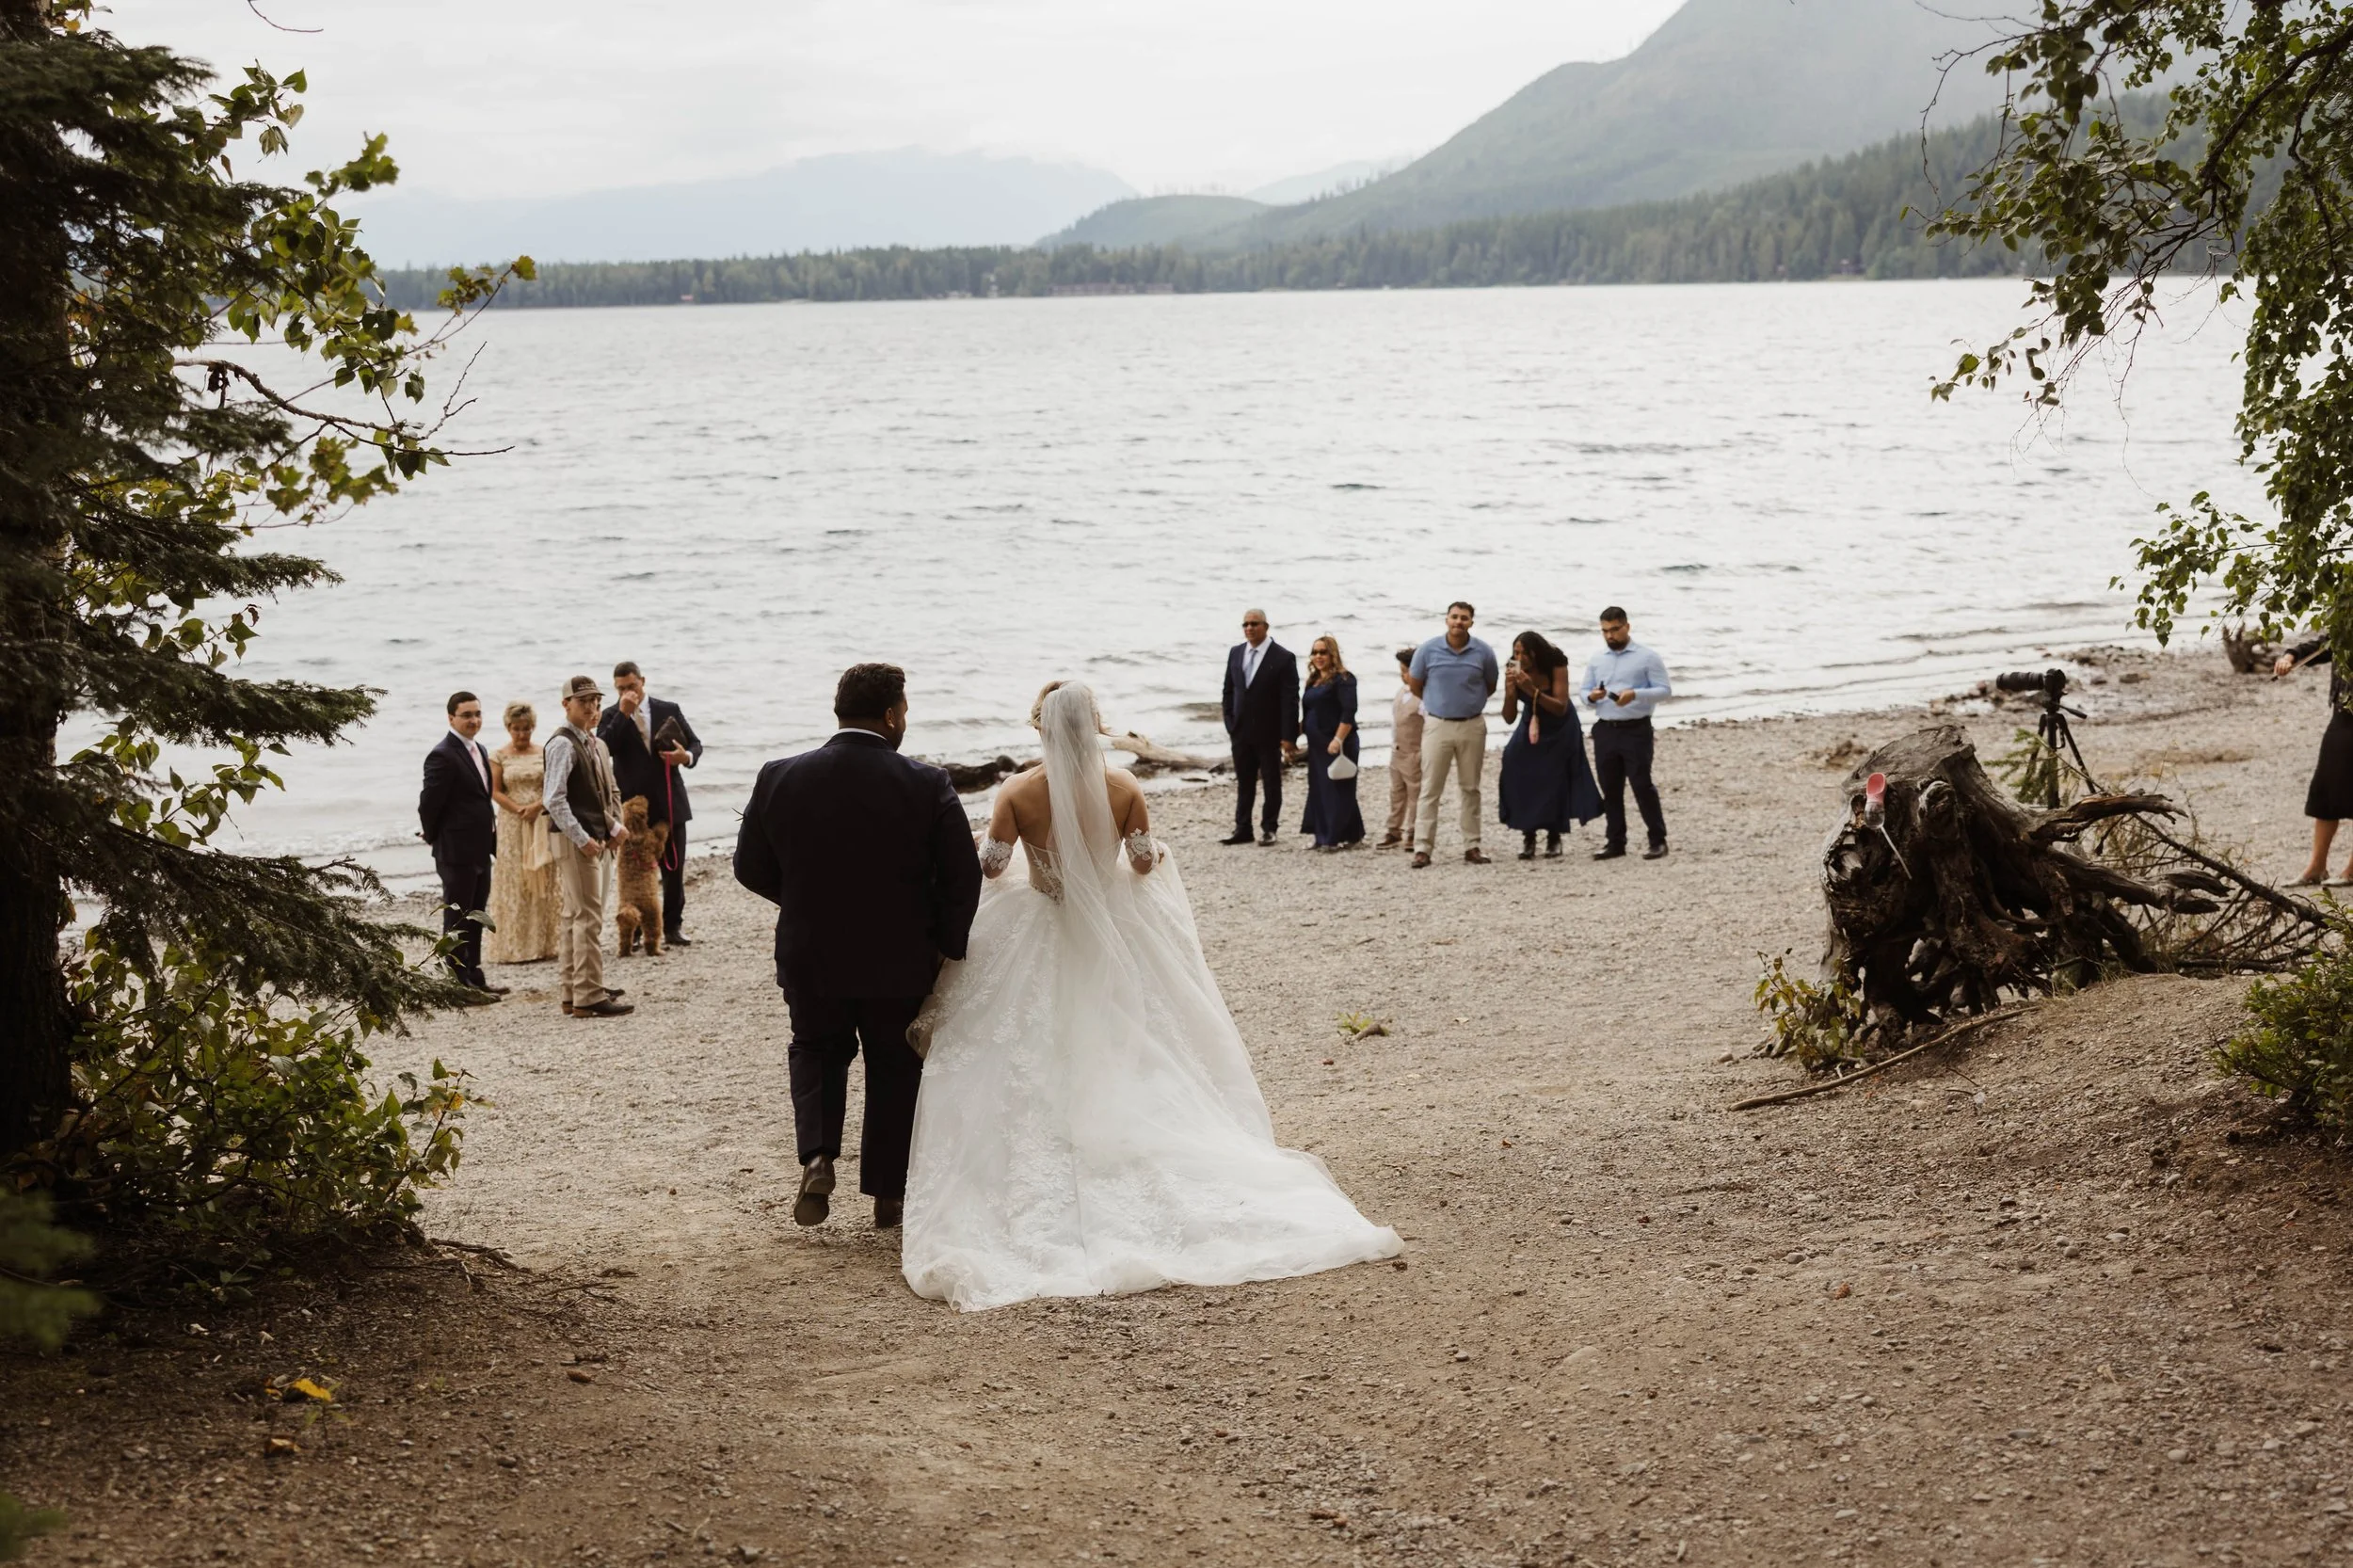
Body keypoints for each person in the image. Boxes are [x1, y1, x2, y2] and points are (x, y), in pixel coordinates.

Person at [901, 681, 1401, 1311]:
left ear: (1041, 728)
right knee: (1134, 1035)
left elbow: (995, 867)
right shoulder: (1124, 787)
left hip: (1041, 921)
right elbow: (1140, 863)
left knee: (1028, 1037)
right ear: (1096, 726)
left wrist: (999, 846)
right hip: (1111, 930)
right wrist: (1153, 850)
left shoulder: (1017, 791)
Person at [733, 663, 983, 1231]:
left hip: (810, 949)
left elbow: (748, 866)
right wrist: (947, 945)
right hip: (899, 954)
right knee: (895, 1063)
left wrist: (801, 900)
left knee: (816, 1049)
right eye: (905, 711)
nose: (905, 721)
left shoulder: (778, 776)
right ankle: (889, 1194)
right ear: (891, 715)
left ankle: (818, 1157)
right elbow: (962, 875)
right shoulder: (926, 783)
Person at [542, 675, 633, 1018]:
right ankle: (588, 994)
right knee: (588, 916)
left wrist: (611, 826)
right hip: (574, 841)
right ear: (566, 704)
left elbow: (596, 796)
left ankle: (574, 991)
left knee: (575, 915)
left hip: (582, 837)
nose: (592, 707)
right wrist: (583, 840)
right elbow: (554, 800)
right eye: (583, 701)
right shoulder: (563, 743)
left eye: (596, 701)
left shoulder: (587, 741)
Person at [597, 661, 704, 947]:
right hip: (633, 809)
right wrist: (623, 714)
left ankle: (673, 926)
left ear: (642, 681)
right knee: (634, 872)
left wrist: (685, 757)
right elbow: (604, 748)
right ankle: (636, 930)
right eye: (620, 689)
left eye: (631, 686)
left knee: (674, 868)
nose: (627, 692)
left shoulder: (668, 709)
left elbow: (695, 744)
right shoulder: (611, 715)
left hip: (669, 799)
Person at [416, 691, 503, 1002]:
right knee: (457, 919)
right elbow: (429, 804)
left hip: (480, 848)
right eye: (467, 715)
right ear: (451, 718)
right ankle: (456, 984)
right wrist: (433, 836)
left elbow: (481, 799)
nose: (474, 720)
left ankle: (474, 975)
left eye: (477, 714)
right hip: (455, 851)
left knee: (477, 915)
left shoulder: (479, 749)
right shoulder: (442, 754)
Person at [1407, 601, 1499, 868]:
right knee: (1430, 788)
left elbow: (1490, 684)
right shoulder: (1428, 650)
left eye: (1464, 618)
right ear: (1446, 619)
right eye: (1455, 617)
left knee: (1470, 788)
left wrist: (1468, 702)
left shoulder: (1483, 652)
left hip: (1472, 725)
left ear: (1472, 622)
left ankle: (1472, 846)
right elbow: (1415, 684)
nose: (1459, 622)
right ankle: (1422, 848)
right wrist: (1438, 703)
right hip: (1438, 725)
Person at [1498, 630, 1603, 858]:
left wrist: (1531, 690)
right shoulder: (1514, 667)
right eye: (1515, 652)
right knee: (1514, 762)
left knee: (1555, 776)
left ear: (1535, 653)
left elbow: (1560, 707)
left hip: (1560, 726)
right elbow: (1508, 718)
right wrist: (1510, 692)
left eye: (1523, 653)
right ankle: (1528, 835)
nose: (1518, 657)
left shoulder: (1556, 662)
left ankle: (1554, 836)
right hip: (1532, 721)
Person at [1579, 606, 1673, 861]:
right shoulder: (1597, 659)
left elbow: (1664, 690)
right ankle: (1615, 842)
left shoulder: (1647, 657)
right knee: (1610, 788)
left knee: (1641, 784)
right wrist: (1592, 696)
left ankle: (1658, 840)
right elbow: (1584, 693)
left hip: (1635, 728)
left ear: (1627, 627)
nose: (1610, 636)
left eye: (1614, 630)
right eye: (1605, 631)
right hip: (1606, 729)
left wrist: (1635, 694)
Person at [486, 700, 560, 963]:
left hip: (541, 818)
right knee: (515, 878)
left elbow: (552, 786)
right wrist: (519, 809)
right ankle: (514, 947)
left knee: (543, 873)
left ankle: (545, 943)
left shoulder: (543, 752)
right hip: (512, 822)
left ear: (533, 727)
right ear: (508, 728)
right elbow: (495, 791)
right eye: (517, 728)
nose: (522, 734)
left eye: (526, 728)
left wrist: (537, 806)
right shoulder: (498, 755)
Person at [2275, 637, 2353, 884]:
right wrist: (2290, 656)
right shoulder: (2346, 626)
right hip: (2343, 715)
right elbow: (2322, 645)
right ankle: (2317, 867)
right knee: (2325, 790)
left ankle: (2352, 870)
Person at [1221, 609, 1301, 846]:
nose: (1249, 628)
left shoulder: (1283, 657)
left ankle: (1269, 828)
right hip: (1240, 732)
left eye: (1254, 624)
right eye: (1245, 624)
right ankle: (1243, 828)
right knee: (1244, 782)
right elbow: (1228, 691)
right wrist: (1230, 722)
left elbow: (1290, 700)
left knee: (1271, 782)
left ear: (1266, 626)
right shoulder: (1236, 653)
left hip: (1269, 733)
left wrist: (1289, 737)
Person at [1299, 635, 1364, 851]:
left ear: (1332, 654)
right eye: (1315, 652)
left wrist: (1338, 739)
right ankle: (1328, 835)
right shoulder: (1313, 680)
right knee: (1319, 789)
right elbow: (1309, 712)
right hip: (1317, 745)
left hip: (1338, 742)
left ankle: (1332, 838)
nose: (1318, 656)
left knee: (1337, 789)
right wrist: (1292, 738)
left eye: (1323, 652)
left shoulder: (1344, 679)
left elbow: (1348, 711)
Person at [1381, 648, 1424, 849]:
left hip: (1414, 751)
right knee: (1396, 792)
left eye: (1406, 671)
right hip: (1397, 750)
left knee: (1415, 794)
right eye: (1401, 671)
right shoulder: (1401, 692)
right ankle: (1393, 829)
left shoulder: (1423, 698)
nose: (1403, 675)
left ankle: (1413, 831)